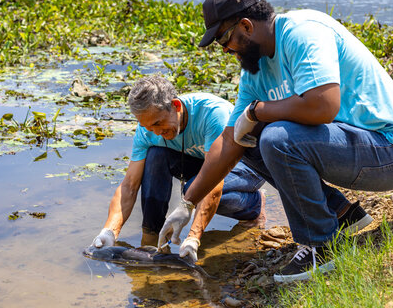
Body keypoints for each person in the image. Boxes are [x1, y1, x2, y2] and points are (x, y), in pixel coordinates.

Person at [157, 0, 393, 282]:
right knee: (251, 138)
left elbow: (322, 106)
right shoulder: (254, 71)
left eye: (223, 39)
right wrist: (187, 202)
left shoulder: (302, 32)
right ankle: (340, 214)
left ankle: (320, 246)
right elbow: (231, 140)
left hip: (392, 152)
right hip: (352, 149)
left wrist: (259, 112)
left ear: (245, 26)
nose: (224, 50)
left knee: (275, 137)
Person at [91, 75, 266, 262]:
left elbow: (214, 183)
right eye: (148, 127)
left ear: (175, 106)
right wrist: (110, 231)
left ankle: (253, 205)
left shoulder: (212, 114)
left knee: (193, 190)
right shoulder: (147, 130)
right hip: (204, 162)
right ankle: (152, 233)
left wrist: (193, 237)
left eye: (158, 123)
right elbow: (129, 186)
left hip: (246, 164)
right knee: (155, 156)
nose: (156, 132)